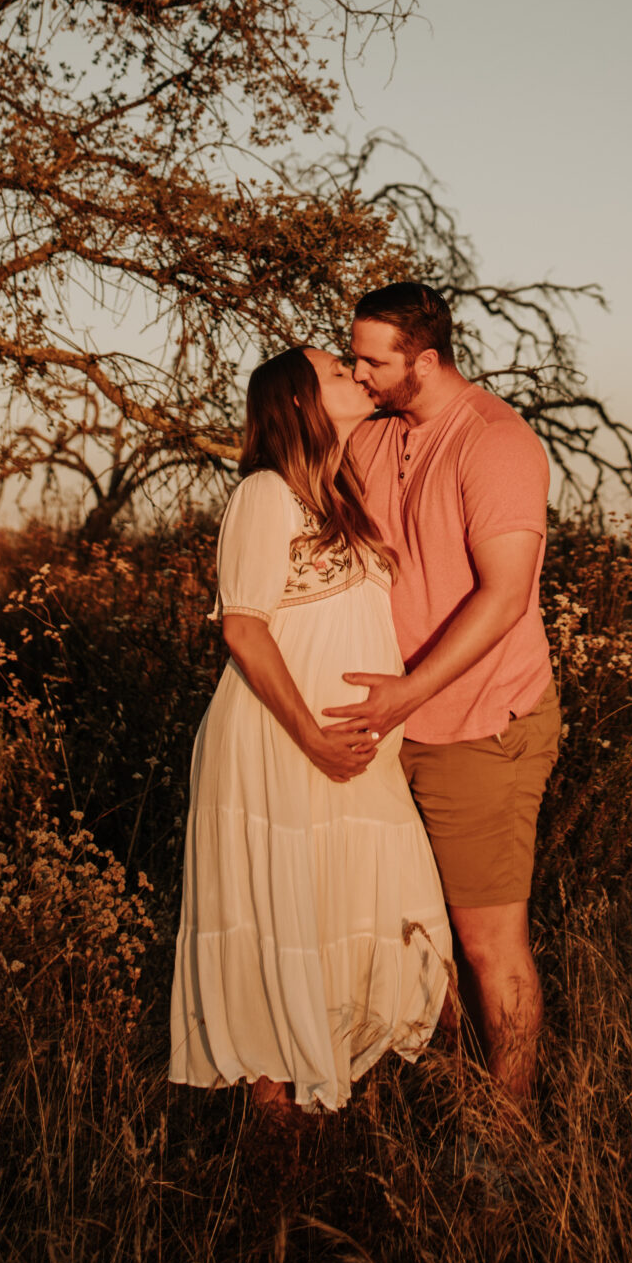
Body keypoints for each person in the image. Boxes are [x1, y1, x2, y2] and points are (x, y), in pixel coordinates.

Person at [169, 344, 452, 1117]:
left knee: (376, 913)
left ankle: (336, 1119)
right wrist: (311, 738)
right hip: (279, 745)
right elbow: (244, 630)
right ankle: (275, 1170)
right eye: (337, 373)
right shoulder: (264, 494)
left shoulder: (341, 499)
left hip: (352, 758)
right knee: (284, 918)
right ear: (299, 403)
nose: (357, 378)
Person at [325, 282, 559, 1112]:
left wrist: (403, 695)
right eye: (351, 355)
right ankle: (435, 1099)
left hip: (479, 724)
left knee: (487, 941)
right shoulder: (376, 437)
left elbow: (502, 597)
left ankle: (507, 1132)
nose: (357, 372)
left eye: (371, 360)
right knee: (408, 933)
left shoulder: (494, 442)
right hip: (395, 726)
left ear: (424, 362)